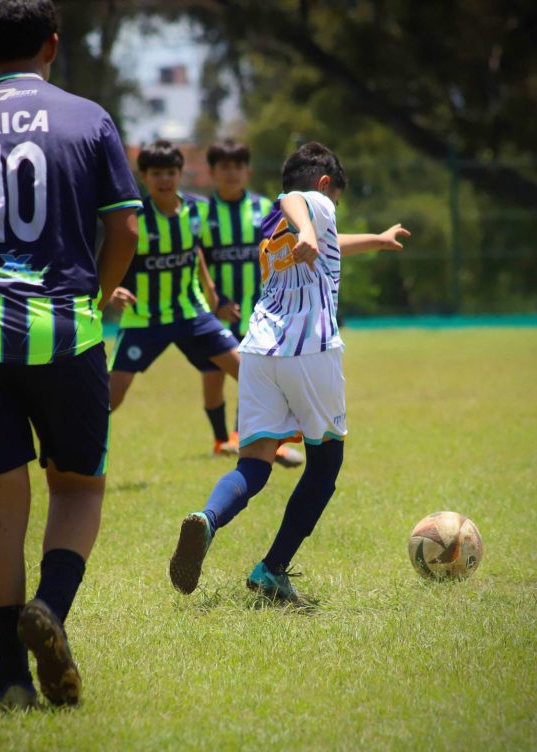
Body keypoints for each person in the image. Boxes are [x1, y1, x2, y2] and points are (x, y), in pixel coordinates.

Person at [0, 0, 141, 710]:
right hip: (65, 330)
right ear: (53, 45)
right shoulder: (89, 118)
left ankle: (11, 680)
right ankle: (50, 608)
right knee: (76, 488)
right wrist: (97, 297)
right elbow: (126, 229)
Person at [169, 141, 410, 603]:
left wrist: (376, 239)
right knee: (326, 463)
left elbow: (323, 236)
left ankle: (208, 519)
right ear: (325, 186)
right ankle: (271, 570)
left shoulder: (269, 224)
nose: (330, 211)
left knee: (254, 463)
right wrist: (308, 229)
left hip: (259, 351)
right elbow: (297, 202)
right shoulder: (306, 202)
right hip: (310, 349)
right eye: (333, 201)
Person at [107, 140, 242, 431]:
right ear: (144, 177)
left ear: (180, 173)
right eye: (156, 173)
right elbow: (112, 259)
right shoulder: (134, 219)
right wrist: (112, 290)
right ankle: (70, 447)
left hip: (191, 312)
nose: (164, 179)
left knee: (249, 373)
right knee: (110, 397)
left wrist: (213, 295)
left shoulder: (199, 209)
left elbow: (197, 252)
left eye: (170, 172)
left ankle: (260, 443)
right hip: (143, 318)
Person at [199, 138, 303, 468]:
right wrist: (213, 301)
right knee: (213, 378)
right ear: (213, 172)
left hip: (262, 312)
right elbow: (191, 262)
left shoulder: (264, 209)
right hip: (214, 312)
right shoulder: (201, 214)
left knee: (255, 376)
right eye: (225, 167)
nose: (232, 173)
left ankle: (253, 440)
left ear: (248, 171)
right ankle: (221, 439)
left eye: (238, 166)